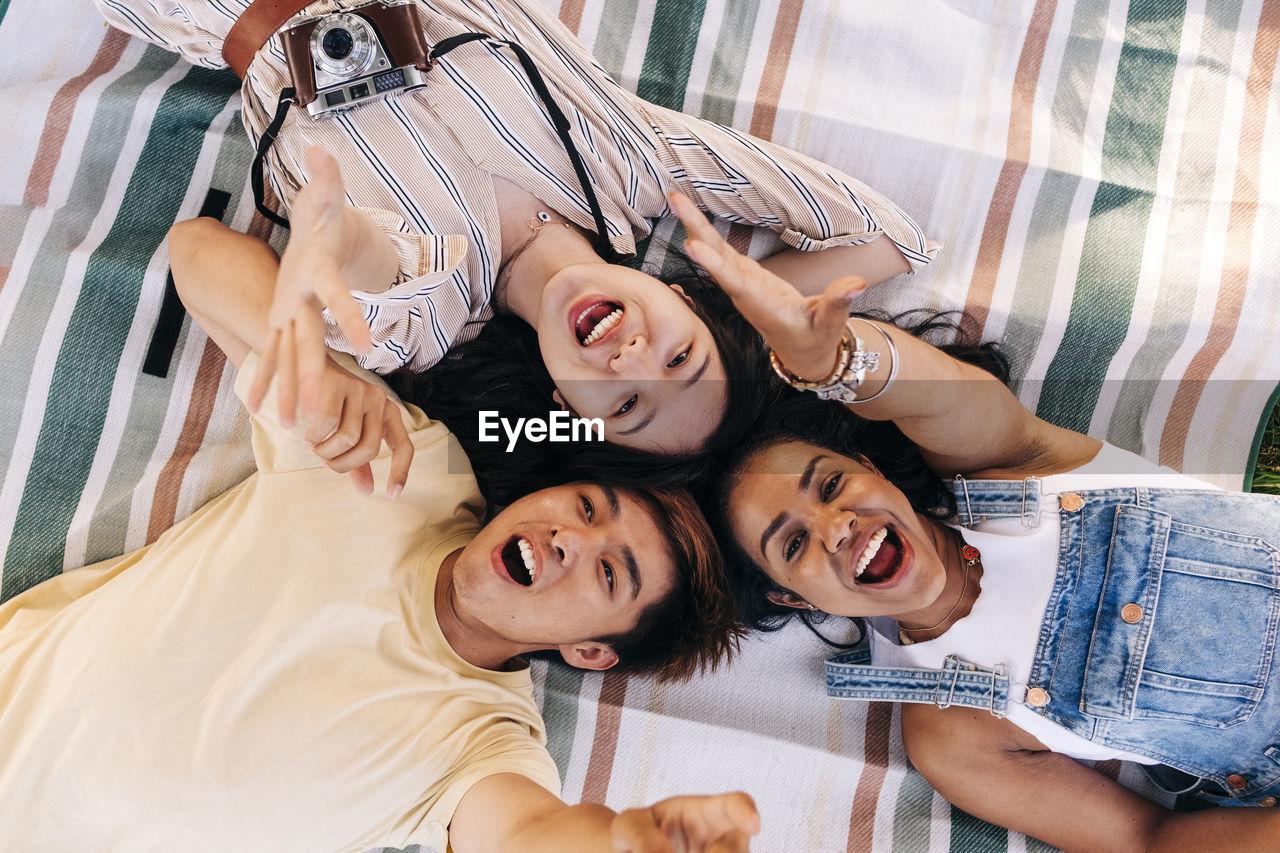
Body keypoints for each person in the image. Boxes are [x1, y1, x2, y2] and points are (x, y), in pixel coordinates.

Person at [0, 267, 756, 851]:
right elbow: (199, 255)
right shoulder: (412, 470)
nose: (571, 536)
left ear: (588, 650)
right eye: (589, 506)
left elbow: (526, 833)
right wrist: (310, 364)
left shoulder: (485, 740)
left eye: (607, 571)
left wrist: (621, 838)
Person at [667, 192, 1280, 852]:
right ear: (791, 594)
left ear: (872, 466)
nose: (836, 524)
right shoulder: (948, 730)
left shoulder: (1008, 465)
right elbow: (1151, 839)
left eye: (832, 483)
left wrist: (829, 360)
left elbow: (911, 383)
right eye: (792, 542)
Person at [96, 0, 938, 462]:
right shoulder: (637, 171)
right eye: (681, 356)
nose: (631, 358)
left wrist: (328, 237)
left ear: (567, 409)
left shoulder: (431, 315)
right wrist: (771, 331)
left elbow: (363, 254)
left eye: (627, 404)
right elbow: (889, 238)